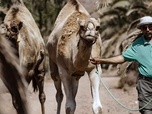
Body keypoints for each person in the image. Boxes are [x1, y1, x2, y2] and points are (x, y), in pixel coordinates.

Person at [89, 16, 152, 114]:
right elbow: (121, 58)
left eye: (150, 27)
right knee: (147, 111)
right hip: (145, 85)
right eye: (144, 27)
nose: (148, 30)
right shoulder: (137, 45)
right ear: (141, 29)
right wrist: (101, 60)